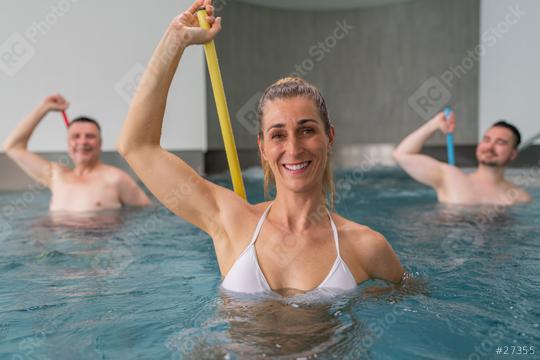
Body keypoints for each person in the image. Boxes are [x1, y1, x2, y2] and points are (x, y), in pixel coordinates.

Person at [117, 0, 404, 295]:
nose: (293, 148)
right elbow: (137, 147)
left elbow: (408, 303)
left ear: (329, 137)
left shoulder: (365, 246)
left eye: (306, 130)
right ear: (262, 147)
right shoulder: (231, 221)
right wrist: (174, 41)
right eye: (278, 135)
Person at [3, 94, 150, 212]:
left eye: (90, 136)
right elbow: (13, 147)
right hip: (57, 247)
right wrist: (44, 108)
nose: (82, 142)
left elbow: (147, 213)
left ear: (100, 143)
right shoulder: (55, 175)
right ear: (68, 144)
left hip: (101, 247)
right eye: (76, 136)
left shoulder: (117, 179)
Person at [393, 112, 531, 205]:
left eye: (500, 142)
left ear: (513, 154)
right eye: (487, 139)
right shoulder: (450, 177)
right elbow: (401, 154)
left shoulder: (519, 197)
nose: (490, 147)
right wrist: (434, 125)